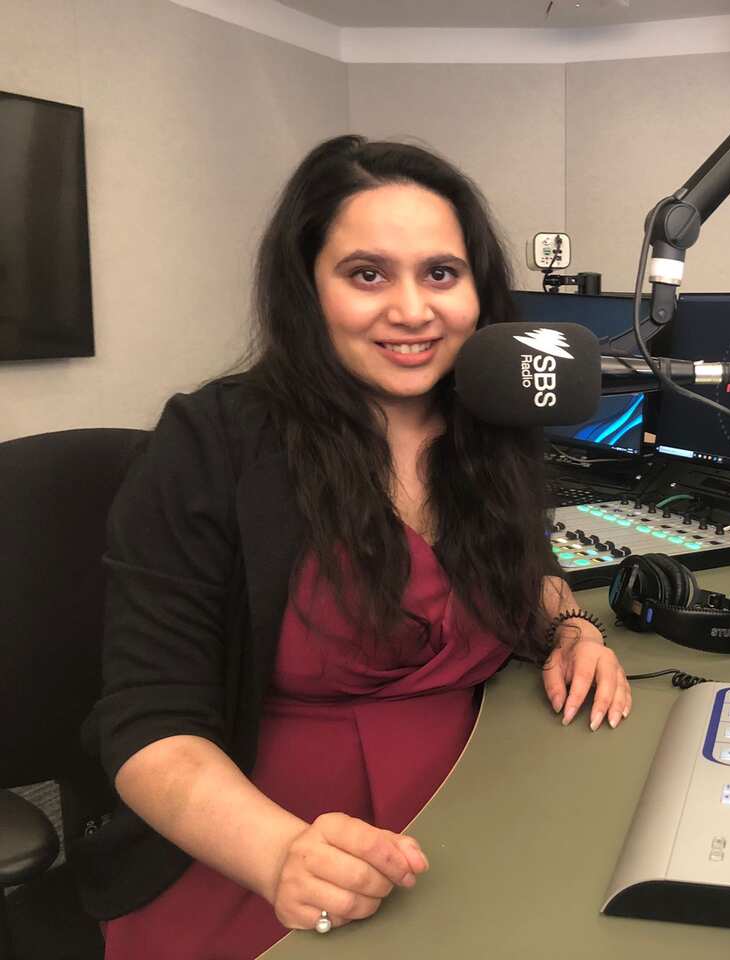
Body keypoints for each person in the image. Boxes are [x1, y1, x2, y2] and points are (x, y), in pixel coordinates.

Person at [76, 135, 630, 958]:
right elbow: (147, 718)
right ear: (308, 288)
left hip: (478, 808)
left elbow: (522, 568)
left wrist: (574, 629)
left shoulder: (489, 428)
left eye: (441, 273)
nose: (411, 310)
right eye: (367, 274)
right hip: (262, 852)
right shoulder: (212, 441)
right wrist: (278, 855)